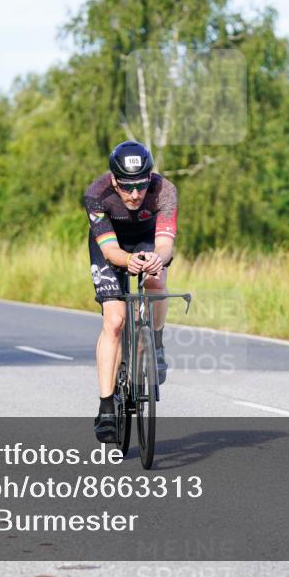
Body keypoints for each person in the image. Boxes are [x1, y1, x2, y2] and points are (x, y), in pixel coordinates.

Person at [83, 140, 178, 443]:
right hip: (110, 247)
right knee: (114, 321)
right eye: (126, 187)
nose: (135, 194)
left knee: (157, 280)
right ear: (113, 180)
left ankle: (157, 344)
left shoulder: (165, 191)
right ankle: (107, 404)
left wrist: (155, 260)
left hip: (147, 242)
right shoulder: (97, 194)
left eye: (141, 185)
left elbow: (165, 245)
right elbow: (110, 251)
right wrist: (127, 261)